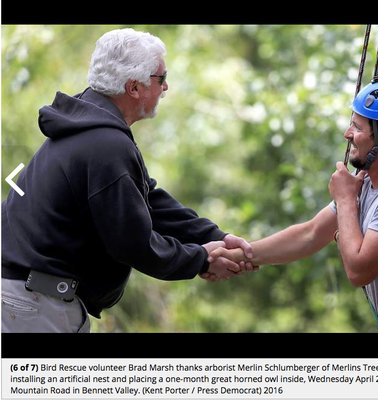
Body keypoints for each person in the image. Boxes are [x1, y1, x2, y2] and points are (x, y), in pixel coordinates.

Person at [1, 28, 253, 333]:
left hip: (27, 298)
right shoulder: (106, 144)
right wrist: (201, 260)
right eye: (161, 78)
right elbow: (133, 243)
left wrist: (212, 236)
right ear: (134, 88)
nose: (166, 87)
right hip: (35, 304)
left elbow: (147, 199)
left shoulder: (88, 123)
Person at [208, 76, 378, 333]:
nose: (347, 134)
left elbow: (358, 270)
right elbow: (311, 234)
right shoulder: (368, 182)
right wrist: (236, 255)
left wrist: (346, 199)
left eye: (358, 127)